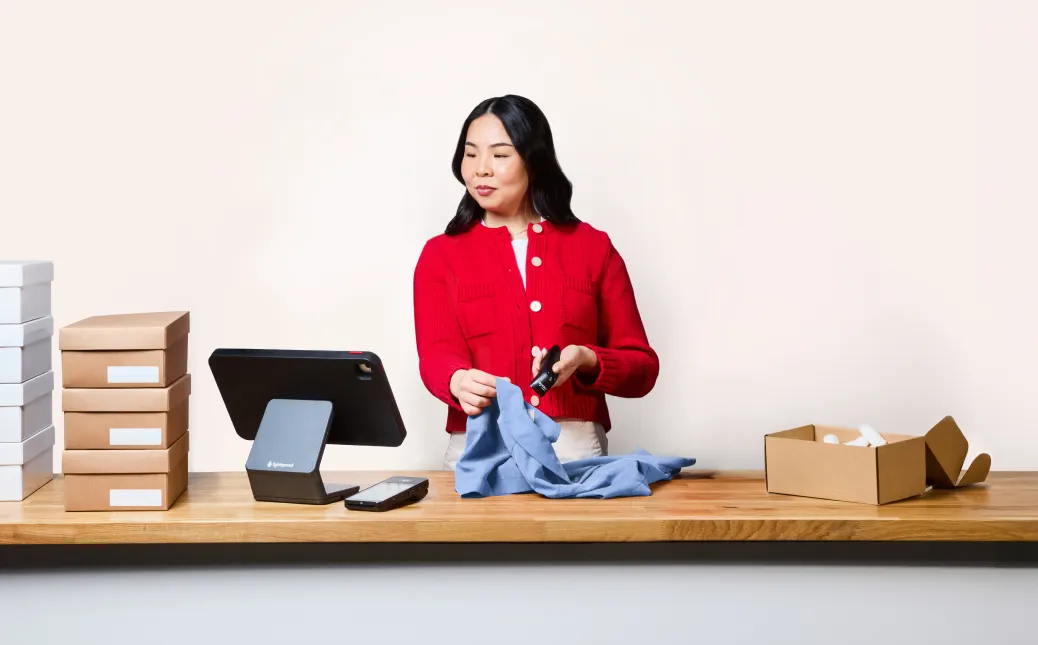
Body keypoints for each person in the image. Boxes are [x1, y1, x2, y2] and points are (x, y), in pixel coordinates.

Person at [413, 94, 659, 470]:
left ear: (534, 160)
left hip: (574, 450)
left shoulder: (592, 247)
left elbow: (641, 368)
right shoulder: (440, 255)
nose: (480, 169)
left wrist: (587, 359)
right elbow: (436, 355)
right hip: (478, 447)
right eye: (470, 153)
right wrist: (457, 380)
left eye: (499, 155)